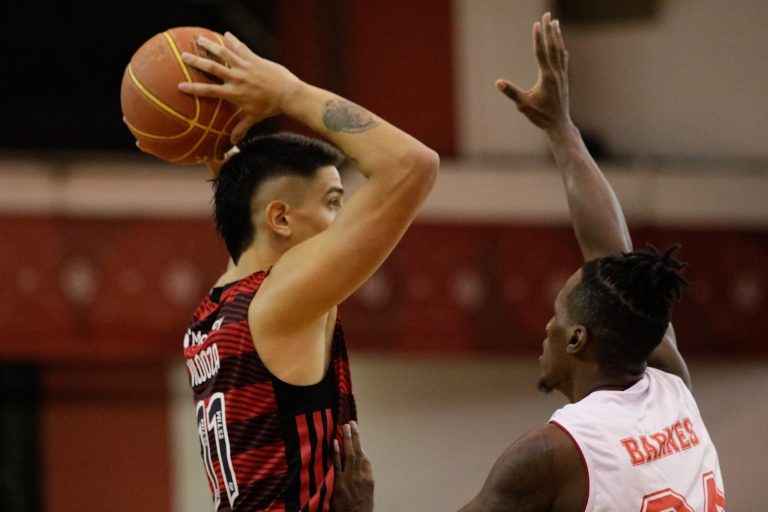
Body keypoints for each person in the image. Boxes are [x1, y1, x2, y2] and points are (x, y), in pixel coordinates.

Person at [334, 13, 726, 512]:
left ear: (577, 338)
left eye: (558, 314)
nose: (547, 326)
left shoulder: (550, 455)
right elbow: (610, 253)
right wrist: (561, 128)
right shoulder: (672, 392)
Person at [178, 32, 439, 511]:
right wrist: (287, 91)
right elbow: (413, 165)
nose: (346, 220)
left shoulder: (217, 308)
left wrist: (208, 131)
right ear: (281, 218)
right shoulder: (280, 302)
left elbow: (241, 201)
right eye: (334, 202)